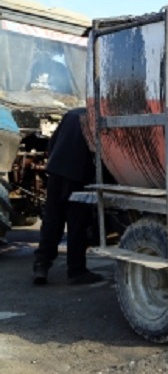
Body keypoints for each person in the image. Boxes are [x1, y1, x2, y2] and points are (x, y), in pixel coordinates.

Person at [33, 107, 103, 286]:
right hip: (79, 175)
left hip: (57, 172)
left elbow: (53, 142)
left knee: (52, 220)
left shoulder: (72, 114)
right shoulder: (101, 117)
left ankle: (41, 265)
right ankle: (76, 271)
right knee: (77, 225)